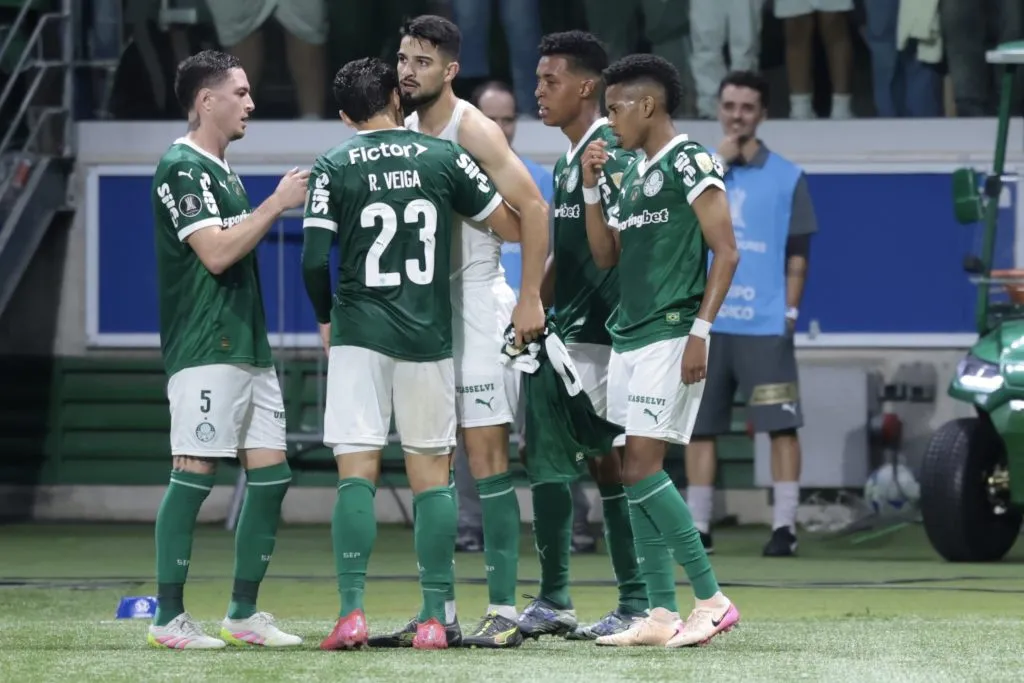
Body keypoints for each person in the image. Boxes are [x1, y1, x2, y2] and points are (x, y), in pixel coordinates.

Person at [301, 56, 521, 651]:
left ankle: (351, 612)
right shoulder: (444, 157)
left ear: (347, 115)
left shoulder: (334, 162)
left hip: (359, 334)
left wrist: (326, 317)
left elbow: (311, 260)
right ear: (397, 102)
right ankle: (432, 618)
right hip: (429, 335)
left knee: (357, 473)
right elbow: (511, 223)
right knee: (432, 476)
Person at [394, 14, 549, 649]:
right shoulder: (398, 131)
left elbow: (532, 208)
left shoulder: (474, 128)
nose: (408, 71)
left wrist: (531, 297)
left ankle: (506, 610)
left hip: (480, 306)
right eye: (403, 59)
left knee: (488, 461)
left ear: (450, 70)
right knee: (430, 462)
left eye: (422, 62)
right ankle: (440, 611)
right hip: (424, 313)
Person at [148, 50, 309, 649]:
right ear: (205, 100)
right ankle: (167, 620)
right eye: (239, 93)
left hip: (247, 344)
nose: (251, 102)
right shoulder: (182, 168)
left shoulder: (222, 169)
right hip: (207, 344)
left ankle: (243, 614)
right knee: (194, 471)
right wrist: (274, 204)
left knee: (271, 478)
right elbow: (215, 252)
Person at [581, 53, 741, 648]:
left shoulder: (691, 159)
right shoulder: (629, 169)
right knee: (631, 474)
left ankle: (712, 598)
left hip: (673, 334)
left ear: (648, 105)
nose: (609, 121)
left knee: (644, 469)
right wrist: (594, 189)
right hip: (628, 335)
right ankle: (657, 613)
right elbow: (606, 256)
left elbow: (725, 251)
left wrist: (700, 331)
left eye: (615, 108)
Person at [516, 29, 648, 643]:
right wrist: (530, 309)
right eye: (539, 80)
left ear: (587, 87)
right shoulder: (569, 160)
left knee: (612, 465)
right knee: (547, 459)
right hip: (561, 336)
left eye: (551, 81)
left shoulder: (609, 157)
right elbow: (566, 256)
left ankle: (637, 599)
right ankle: (555, 595)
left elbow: (620, 252)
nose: (539, 92)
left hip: (603, 339)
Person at [455, 79, 597, 555]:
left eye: (509, 118)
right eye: (492, 118)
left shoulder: (539, 177)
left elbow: (560, 251)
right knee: (472, 426)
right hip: (476, 321)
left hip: (534, 321)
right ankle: (470, 523)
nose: (501, 127)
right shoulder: (452, 173)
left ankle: (576, 522)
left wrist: (536, 301)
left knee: (547, 426)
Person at [686, 71, 817, 558]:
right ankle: (698, 526)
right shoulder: (698, 169)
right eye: (730, 106)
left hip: (764, 326)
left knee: (782, 426)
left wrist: (788, 311)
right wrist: (714, 164)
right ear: (719, 110)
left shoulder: (787, 176)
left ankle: (784, 527)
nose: (737, 115)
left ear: (762, 114)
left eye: (747, 107)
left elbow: (798, 253)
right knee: (699, 428)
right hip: (708, 323)